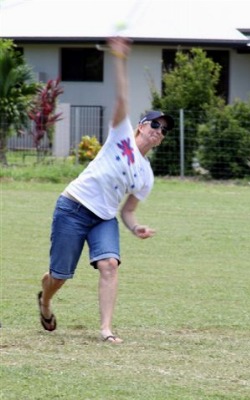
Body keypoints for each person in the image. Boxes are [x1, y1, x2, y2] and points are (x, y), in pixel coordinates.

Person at [37, 36, 174, 344]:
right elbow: (122, 98)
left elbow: (128, 210)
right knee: (59, 277)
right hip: (72, 207)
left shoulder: (147, 175)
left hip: (104, 218)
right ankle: (45, 301)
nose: (159, 132)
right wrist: (120, 59)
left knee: (109, 265)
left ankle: (106, 331)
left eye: (164, 130)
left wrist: (135, 226)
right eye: (155, 126)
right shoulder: (120, 134)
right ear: (141, 126)